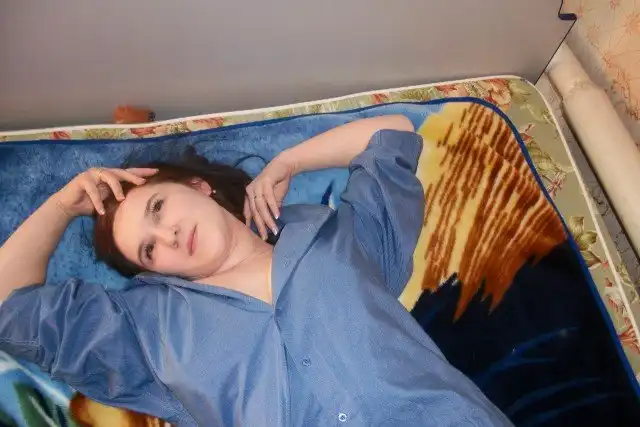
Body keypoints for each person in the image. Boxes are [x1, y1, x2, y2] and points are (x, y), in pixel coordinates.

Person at [0, 116, 512, 426]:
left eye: (158, 208)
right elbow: (7, 306)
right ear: (153, 273)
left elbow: (392, 133)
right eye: (149, 251)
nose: (168, 236)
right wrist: (62, 205)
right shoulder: (145, 331)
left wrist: (290, 161)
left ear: (198, 187)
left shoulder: (336, 238)